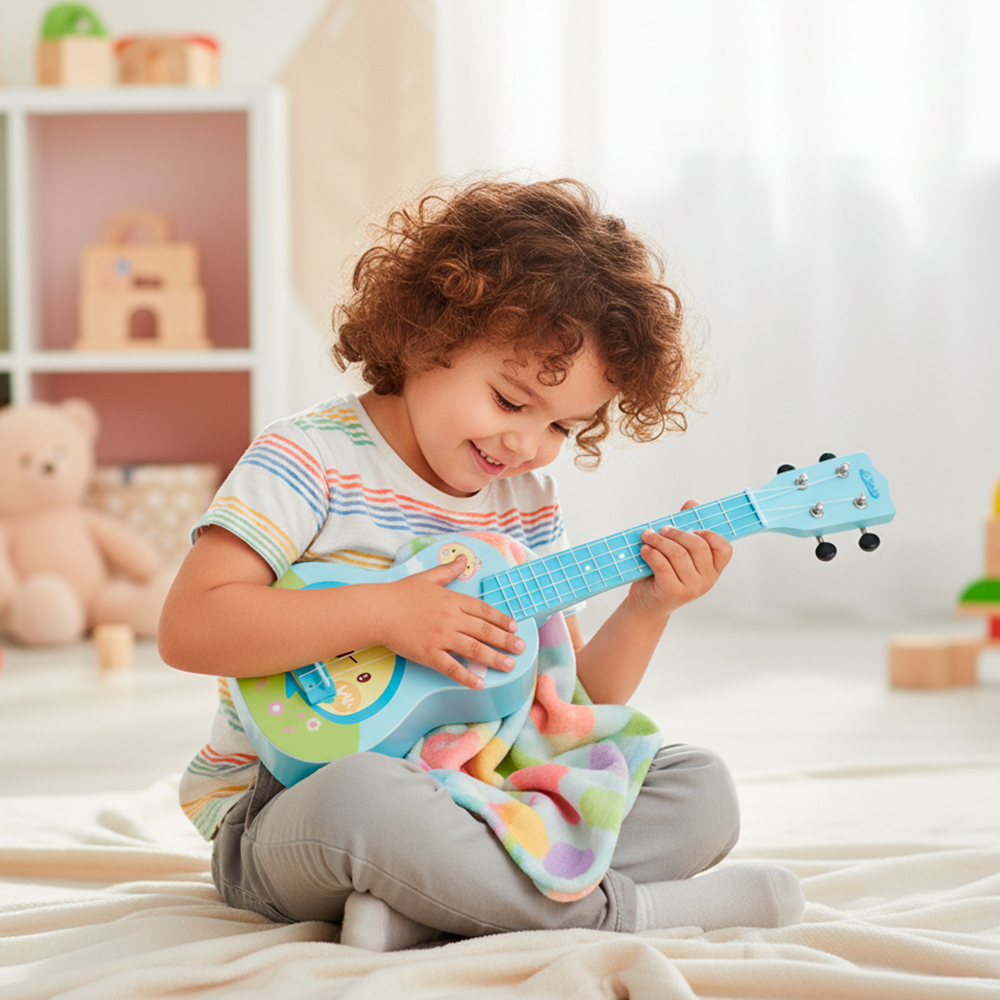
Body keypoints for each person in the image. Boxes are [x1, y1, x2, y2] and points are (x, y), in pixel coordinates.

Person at [158, 178, 804, 951]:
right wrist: (385, 612)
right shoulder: (310, 458)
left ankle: (429, 906)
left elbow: (567, 704)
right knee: (367, 799)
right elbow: (190, 628)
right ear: (426, 335)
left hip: (486, 790)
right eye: (508, 399)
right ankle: (627, 913)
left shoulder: (524, 500)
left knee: (699, 788)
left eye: (563, 425)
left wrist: (649, 607)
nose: (527, 444)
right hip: (294, 806)